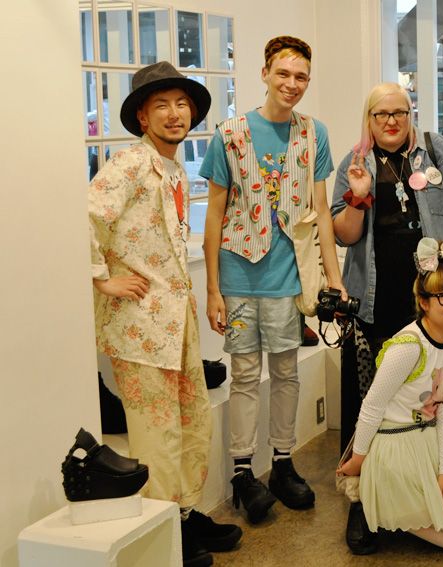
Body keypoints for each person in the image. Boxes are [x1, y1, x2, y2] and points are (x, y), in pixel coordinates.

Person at [89, 61, 241, 566]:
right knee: (156, 434)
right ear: (142, 117)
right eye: (162, 106)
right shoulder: (129, 163)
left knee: (192, 421)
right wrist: (101, 278)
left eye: (182, 104)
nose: (175, 114)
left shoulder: (172, 168)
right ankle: (165, 537)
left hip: (174, 320)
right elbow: (85, 216)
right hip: (139, 324)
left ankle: (185, 514)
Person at [200, 35, 345, 523]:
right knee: (244, 375)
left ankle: (283, 462)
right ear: (264, 73)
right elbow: (215, 214)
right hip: (239, 274)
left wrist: (333, 276)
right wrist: (213, 289)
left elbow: (321, 211)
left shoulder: (314, 133)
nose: (292, 83)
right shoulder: (230, 134)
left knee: (286, 372)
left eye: (301, 76)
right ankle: (243, 473)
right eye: (283, 73)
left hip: (289, 275)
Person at [331, 81, 443, 554]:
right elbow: (344, 234)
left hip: (432, 299)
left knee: (440, 390)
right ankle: (362, 496)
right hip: (376, 299)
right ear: (369, 119)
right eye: (382, 114)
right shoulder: (354, 162)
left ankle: (440, 481)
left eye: (400, 112)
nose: (391, 121)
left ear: (411, 113)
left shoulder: (437, 151)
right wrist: (357, 197)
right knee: (370, 397)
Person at [337, 238, 443, 553]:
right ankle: (385, 507)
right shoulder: (408, 346)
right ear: (424, 301)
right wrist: (358, 461)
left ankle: (413, 505)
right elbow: (372, 406)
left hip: (428, 442)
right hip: (394, 447)